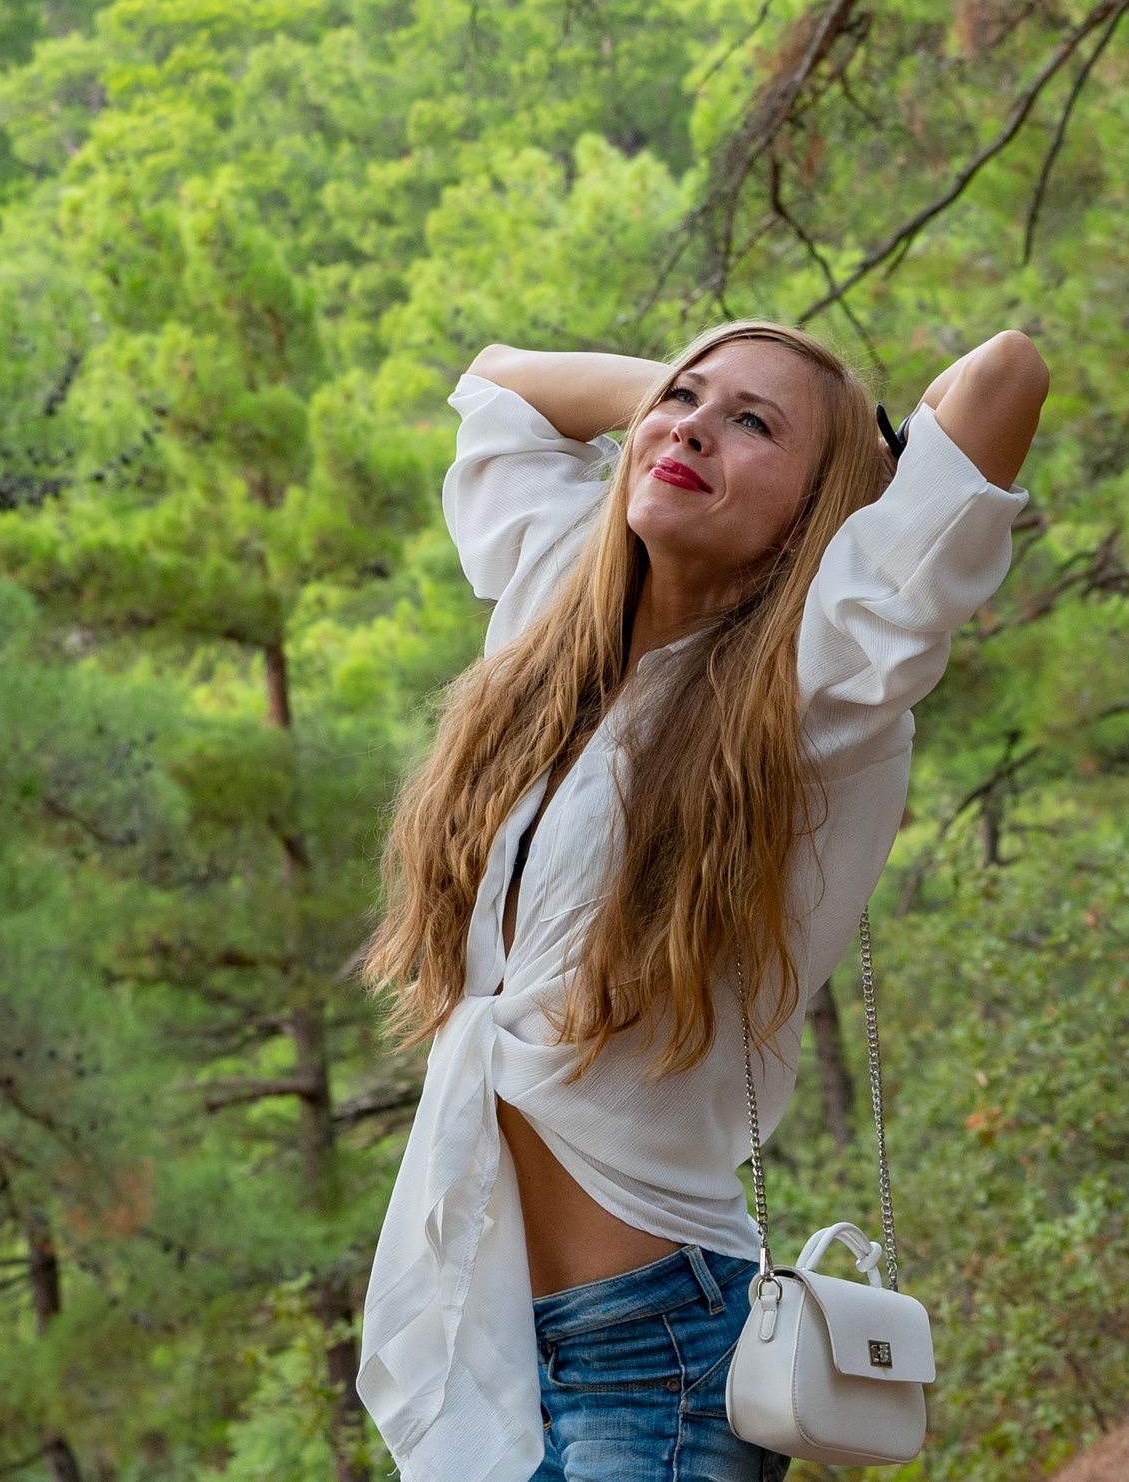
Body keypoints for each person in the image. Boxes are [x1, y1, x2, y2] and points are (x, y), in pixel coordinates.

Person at [355, 320, 1049, 1482]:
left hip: (657, 1362)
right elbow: (496, 384)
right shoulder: (549, 608)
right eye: (685, 401)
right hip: (501, 1345)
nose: (690, 427)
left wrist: (864, 466)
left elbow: (1007, 372)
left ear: (823, 507)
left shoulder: (823, 677)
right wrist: (678, 402)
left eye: (753, 426)